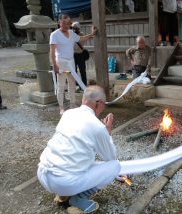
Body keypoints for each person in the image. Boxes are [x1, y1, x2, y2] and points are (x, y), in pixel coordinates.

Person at [37, 85, 121, 213]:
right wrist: (107, 132)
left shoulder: (68, 113)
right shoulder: (97, 126)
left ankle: (62, 194)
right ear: (98, 103)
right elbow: (110, 157)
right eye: (104, 104)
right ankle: (78, 199)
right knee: (115, 167)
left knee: (81, 159)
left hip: (43, 174)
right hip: (64, 182)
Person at [50, 13, 96, 115]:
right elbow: (52, 51)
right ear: (59, 22)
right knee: (61, 85)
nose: (66, 25)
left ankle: (72, 104)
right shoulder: (54, 34)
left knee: (72, 83)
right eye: (64, 23)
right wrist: (54, 65)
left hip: (71, 61)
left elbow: (81, 38)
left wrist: (92, 34)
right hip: (60, 62)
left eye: (68, 23)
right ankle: (61, 107)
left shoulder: (71, 33)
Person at [71, 22, 87, 90]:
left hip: (80, 55)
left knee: (82, 71)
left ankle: (84, 85)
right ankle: (74, 86)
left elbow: (77, 46)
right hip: (72, 55)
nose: (74, 30)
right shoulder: (70, 35)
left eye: (75, 28)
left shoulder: (81, 35)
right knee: (73, 71)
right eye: (73, 28)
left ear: (78, 29)